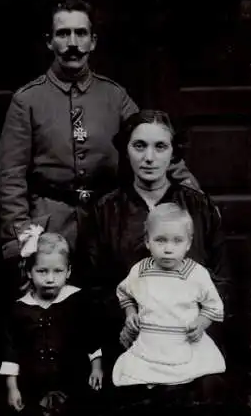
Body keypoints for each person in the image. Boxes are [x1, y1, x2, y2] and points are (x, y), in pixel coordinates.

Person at [0, 0, 199, 295]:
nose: (73, 43)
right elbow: (9, 178)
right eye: (63, 34)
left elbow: (152, 142)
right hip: (50, 226)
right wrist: (24, 245)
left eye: (81, 34)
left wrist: (193, 195)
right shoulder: (27, 101)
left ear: (93, 42)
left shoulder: (114, 96)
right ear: (50, 42)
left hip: (108, 222)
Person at [78, 110, 231, 383]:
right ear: (126, 150)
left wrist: (199, 325)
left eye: (160, 146)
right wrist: (123, 323)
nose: (149, 158)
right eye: (139, 146)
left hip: (189, 346)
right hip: (128, 345)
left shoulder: (199, 206)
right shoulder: (105, 210)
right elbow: (93, 285)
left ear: (174, 152)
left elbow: (221, 277)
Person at [0, 232, 103, 416]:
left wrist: (96, 368)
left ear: (68, 271)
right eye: (42, 271)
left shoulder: (77, 301)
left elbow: (90, 337)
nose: (50, 279)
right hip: (33, 387)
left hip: (72, 384)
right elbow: (11, 351)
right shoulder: (19, 309)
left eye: (58, 271)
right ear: (29, 272)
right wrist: (12, 387)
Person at [113, 202, 226, 388]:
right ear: (148, 242)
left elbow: (213, 306)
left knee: (194, 380)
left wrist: (201, 323)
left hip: (184, 343)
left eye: (177, 241)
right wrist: (130, 313)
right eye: (160, 240)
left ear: (189, 243)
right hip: (150, 343)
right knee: (134, 378)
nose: (168, 249)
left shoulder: (195, 274)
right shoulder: (140, 271)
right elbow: (124, 293)